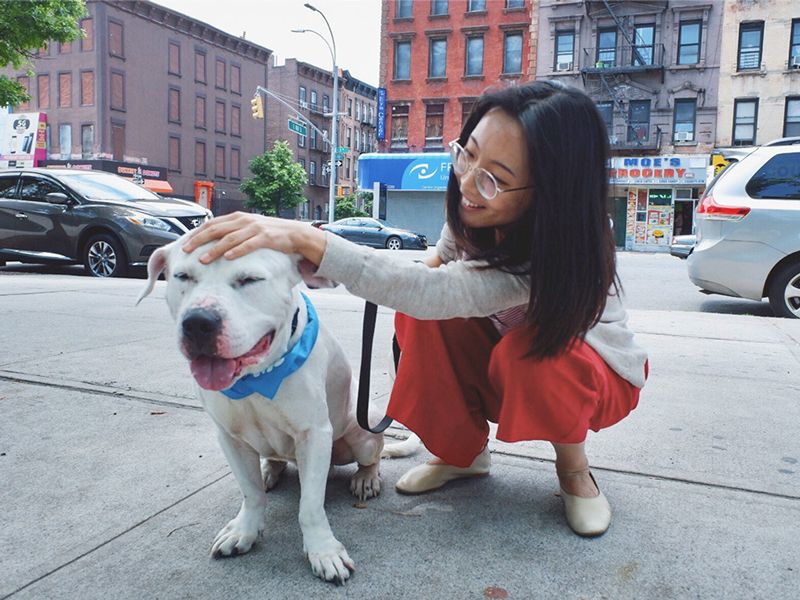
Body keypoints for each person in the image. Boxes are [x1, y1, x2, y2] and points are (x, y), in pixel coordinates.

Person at [182, 81, 648, 538]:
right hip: (506, 357)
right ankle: (461, 455)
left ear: (549, 195)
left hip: (589, 374)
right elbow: (429, 276)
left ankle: (574, 470)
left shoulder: (559, 252)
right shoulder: (475, 209)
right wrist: (402, 304)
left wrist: (311, 241)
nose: (467, 181)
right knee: (422, 320)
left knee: (535, 353)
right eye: (467, 152)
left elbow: (437, 291)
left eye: (495, 179)